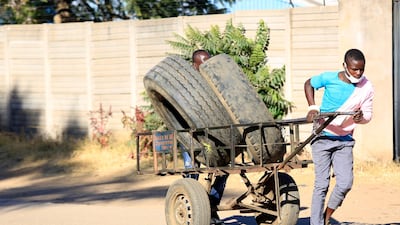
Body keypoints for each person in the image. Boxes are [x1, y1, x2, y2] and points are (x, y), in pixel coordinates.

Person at [304, 48, 374, 225]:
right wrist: (312, 107)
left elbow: (367, 115)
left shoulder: (366, 87)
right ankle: (316, 223)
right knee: (322, 185)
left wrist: (361, 118)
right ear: (344, 66)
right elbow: (308, 83)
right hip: (322, 137)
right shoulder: (329, 78)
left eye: (361, 69)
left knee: (345, 183)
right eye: (354, 69)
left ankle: (327, 215)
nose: (358, 73)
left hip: (344, 141)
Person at [181, 49, 228, 224]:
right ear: (194, 65)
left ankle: (211, 210)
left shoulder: (215, 83)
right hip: (189, 136)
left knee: (223, 171)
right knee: (191, 174)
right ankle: (192, 213)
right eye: (203, 63)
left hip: (212, 136)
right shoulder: (186, 85)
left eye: (209, 62)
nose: (207, 66)